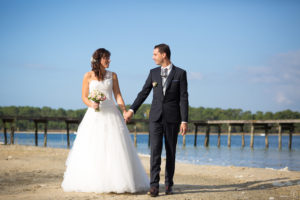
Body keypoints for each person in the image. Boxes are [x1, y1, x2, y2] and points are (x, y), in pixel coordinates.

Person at [61, 48, 149, 193]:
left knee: (115, 147)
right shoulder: (88, 76)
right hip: (94, 115)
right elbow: (84, 96)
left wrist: (124, 110)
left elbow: (117, 95)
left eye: (109, 58)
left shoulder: (113, 75)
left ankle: (117, 181)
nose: (108, 61)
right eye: (106, 58)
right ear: (98, 60)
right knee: (94, 147)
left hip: (111, 113)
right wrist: (91, 104)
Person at [124, 43, 189, 197]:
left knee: (171, 152)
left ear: (163, 55)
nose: (153, 57)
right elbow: (143, 93)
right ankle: (154, 186)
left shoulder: (180, 73)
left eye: (155, 54)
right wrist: (132, 110)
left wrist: (184, 120)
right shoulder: (153, 72)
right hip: (155, 118)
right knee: (155, 151)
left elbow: (183, 98)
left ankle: (168, 184)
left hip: (173, 118)